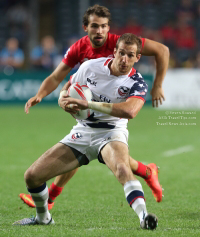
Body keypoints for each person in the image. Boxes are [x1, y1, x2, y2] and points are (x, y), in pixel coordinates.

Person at [19, 4, 169, 210]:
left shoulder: (122, 43)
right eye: (95, 26)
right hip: (87, 110)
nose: (100, 31)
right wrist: (48, 95)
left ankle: (51, 198)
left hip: (113, 113)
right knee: (86, 149)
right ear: (85, 27)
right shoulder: (80, 49)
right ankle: (147, 171)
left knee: (109, 154)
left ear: (109, 28)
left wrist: (158, 86)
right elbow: (59, 77)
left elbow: (162, 50)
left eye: (104, 26)